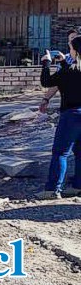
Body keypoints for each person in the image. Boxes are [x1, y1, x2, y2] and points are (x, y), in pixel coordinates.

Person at [36, 36, 81, 199]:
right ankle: (78, 187)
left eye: (70, 48)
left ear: (75, 51)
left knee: (60, 153)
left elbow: (46, 81)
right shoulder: (70, 69)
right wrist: (63, 62)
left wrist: (46, 62)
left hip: (71, 115)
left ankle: (52, 190)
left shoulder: (68, 72)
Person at [39, 28, 79, 113]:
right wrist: (46, 98)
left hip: (70, 112)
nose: (71, 42)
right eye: (70, 39)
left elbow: (47, 81)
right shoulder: (66, 59)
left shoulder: (67, 66)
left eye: (74, 38)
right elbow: (59, 81)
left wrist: (46, 63)